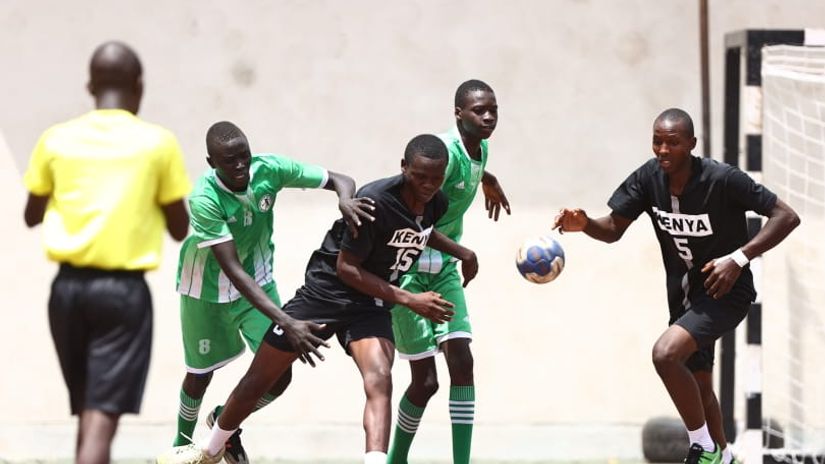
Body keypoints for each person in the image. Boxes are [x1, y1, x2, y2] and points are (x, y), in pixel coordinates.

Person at [157, 133, 479, 464]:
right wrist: (410, 299)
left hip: (371, 301)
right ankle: (209, 449)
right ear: (403, 168)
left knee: (380, 377)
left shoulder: (436, 203)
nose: (428, 185)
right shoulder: (375, 200)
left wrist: (462, 251)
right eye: (420, 177)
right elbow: (347, 270)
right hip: (325, 293)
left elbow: (417, 230)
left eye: (436, 179)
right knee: (260, 378)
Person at [553, 108, 800, 464]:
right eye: (657, 141)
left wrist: (740, 258)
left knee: (665, 354)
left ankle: (704, 448)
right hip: (684, 297)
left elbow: (786, 216)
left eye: (673, 142)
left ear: (691, 145)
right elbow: (614, 229)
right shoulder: (648, 178)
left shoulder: (723, 179)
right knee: (699, 386)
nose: (663, 150)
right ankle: (726, 457)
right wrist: (585, 223)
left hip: (726, 291)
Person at [22, 41, 192, 464]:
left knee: (87, 408)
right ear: (139, 87)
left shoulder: (56, 139)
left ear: (90, 85)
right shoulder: (158, 143)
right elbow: (179, 227)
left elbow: (31, 214)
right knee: (101, 418)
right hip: (123, 294)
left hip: (66, 291)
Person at [171, 120, 375, 463]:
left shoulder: (271, 169)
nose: (240, 166)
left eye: (244, 157)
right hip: (204, 290)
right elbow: (232, 270)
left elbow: (340, 179)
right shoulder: (204, 198)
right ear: (211, 163)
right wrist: (287, 321)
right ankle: (181, 446)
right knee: (200, 374)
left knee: (279, 373)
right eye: (229, 161)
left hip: (259, 282)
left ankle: (224, 424)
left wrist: (345, 200)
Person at [387, 79, 510, 464]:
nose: (488, 116)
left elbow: (473, 171)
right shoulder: (446, 155)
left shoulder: (480, 148)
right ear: (458, 114)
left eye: (493, 109)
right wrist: (464, 252)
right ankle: (395, 459)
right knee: (425, 383)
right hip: (407, 270)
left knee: (462, 360)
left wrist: (488, 180)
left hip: (443, 271)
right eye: (479, 110)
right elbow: (414, 216)